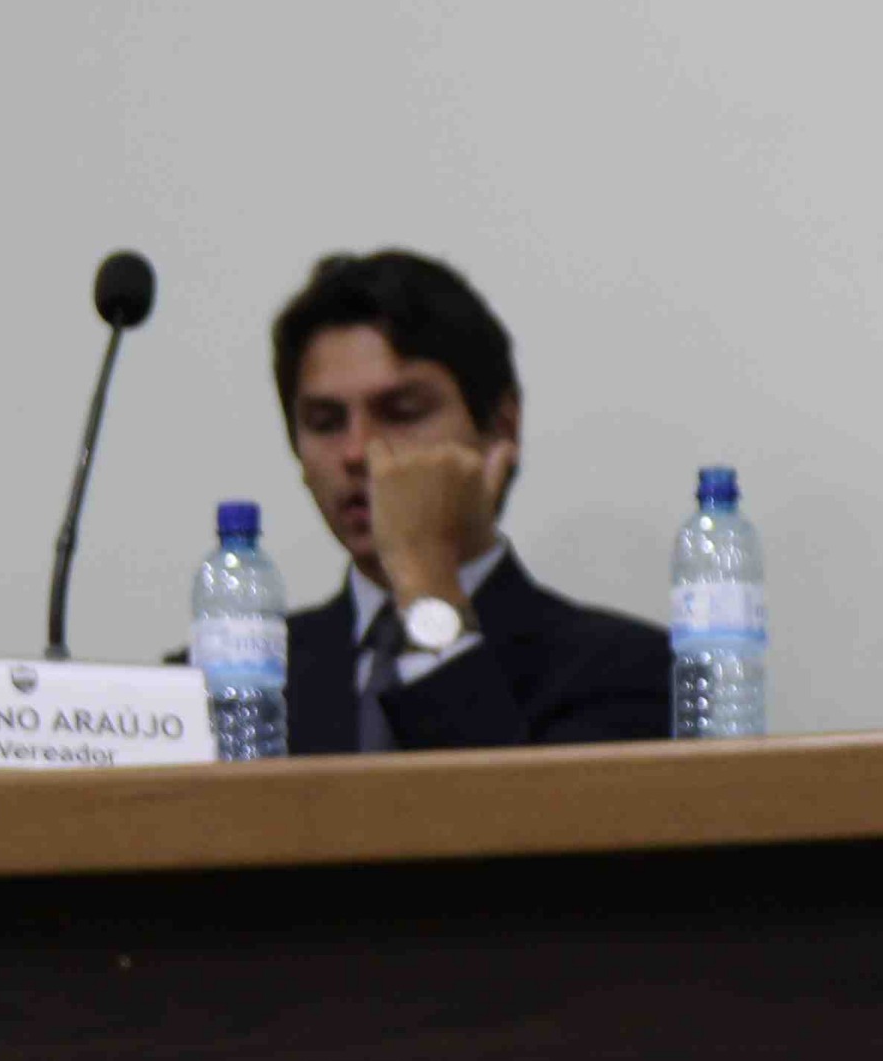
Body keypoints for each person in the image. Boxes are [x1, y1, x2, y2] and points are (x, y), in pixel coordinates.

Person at [267, 250, 670, 754]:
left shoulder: (629, 669)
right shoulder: (227, 682)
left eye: (402, 412)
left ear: (501, 426)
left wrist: (422, 574)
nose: (357, 452)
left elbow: (500, 804)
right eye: (325, 423)